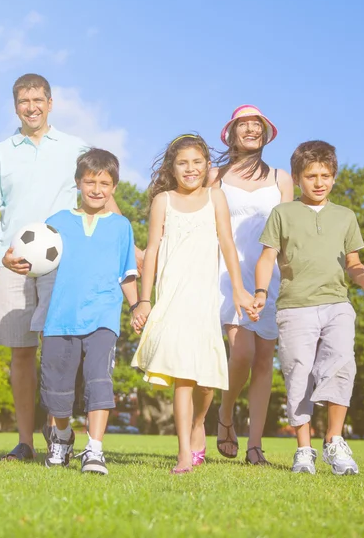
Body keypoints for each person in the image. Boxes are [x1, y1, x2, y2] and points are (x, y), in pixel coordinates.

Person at [0, 74, 139, 461]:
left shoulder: (76, 147)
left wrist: (130, 247)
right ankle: (26, 442)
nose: (32, 106)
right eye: (24, 101)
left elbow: (102, 195)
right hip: (14, 263)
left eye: (38, 99)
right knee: (21, 352)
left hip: (68, 265)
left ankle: (58, 424)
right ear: (15, 106)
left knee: (70, 348)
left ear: (51, 102)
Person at [131, 134, 256, 474]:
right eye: (182, 163)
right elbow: (152, 249)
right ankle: (184, 453)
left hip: (205, 295)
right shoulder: (163, 200)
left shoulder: (216, 198)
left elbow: (228, 245)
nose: (190, 169)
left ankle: (200, 421)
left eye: (197, 162)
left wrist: (241, 291)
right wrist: (144, 300)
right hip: (172, 295)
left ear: (207, 165)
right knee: (183, 376)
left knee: (205, 381)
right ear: (172, 168)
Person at [254, 140, 364, 475]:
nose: (319, 182)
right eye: (311, 175)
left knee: (341, 364)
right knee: (298, 373)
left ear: (334, 177)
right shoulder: (283, 214)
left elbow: (353, 263)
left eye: (325, 175)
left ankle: (335, 442)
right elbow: (267, 257)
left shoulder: (345, 216)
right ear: (297, 178)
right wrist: (261, 291)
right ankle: (304, 450)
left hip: (337, 303)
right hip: (295, 307)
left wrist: (363, 276)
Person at [40, 148, 138, 475]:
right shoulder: (55, 224)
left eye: (105, 183)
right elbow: (32, 257)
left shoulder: (122, 227)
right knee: (58, 389)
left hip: (103, 318)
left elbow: (127, 274)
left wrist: (137, 305)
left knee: (99, 382)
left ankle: (94, 450)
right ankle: (63, 436)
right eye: (90, 181)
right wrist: (14, 261)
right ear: (78, 183)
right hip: (60, 319)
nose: (97, 189)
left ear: (114, 187)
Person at [209, 105, 294, 465]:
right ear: (231, 133)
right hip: (226, 274)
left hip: (270, 275)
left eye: (256, 125)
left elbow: (288, 231)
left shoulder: (281, 178)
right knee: (240, 353)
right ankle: (225, 414)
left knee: (263, 363)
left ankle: (255, 444)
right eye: (243, 125)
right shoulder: (215, 175)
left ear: (265, 134)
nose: (250, 130)